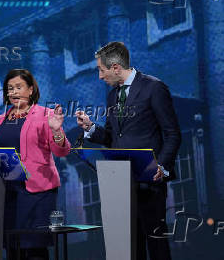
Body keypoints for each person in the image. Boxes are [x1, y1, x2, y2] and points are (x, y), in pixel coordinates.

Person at [76, 42, 181, 260]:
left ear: (115, 67)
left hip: (150, 181)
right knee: (131, 248)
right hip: (121, 183)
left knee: (157, 246)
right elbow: (113, 138)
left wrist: (160, 166)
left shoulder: (154, 88)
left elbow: (172, 134)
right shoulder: (112, 96)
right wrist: (91, 128)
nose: (99, 77)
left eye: (101, 70)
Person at [0, 69, 71, 260]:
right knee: (12, 248)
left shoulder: (46, 115)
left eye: (18, 87)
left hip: (37, 191)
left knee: (33, 248)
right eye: (10, 89)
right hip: (6, 193)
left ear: (31, 90)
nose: (14, 92)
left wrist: (57, 132)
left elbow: (61, 151)